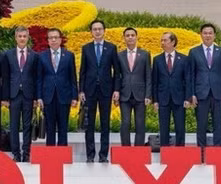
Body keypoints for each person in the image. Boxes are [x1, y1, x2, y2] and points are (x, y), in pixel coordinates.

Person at [79, 19, 120, 163]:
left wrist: (116, 89)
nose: (97, 31)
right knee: (89, 124)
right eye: (94, 29)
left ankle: (103, 155)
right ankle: (90, 155)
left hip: (106, 90)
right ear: (91, 32)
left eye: (99, 29)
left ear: (104, 31)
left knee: (105, 123)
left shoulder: (111, 48)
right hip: (89, 91)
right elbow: (83, 71)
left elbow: (117, 71)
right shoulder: (86, 48)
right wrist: (81, 90)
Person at [189, 24, 221, 154]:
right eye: (205, 33)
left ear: (214, 35)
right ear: (201, 35)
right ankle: (201, 152)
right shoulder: (194, 52)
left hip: (218, 93)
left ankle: (217, 152)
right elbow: (191, 75)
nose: (208, 35)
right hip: (201, 93)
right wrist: (192, 94)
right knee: (201, 124)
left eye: (210, 33)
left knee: (218, 123)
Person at [36, 28, 78, 147]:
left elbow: (73, 77)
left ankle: (62, 153)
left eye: (56, 37)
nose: (53, 40)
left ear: (60, 39)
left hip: (64, 96)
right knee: (50, 128)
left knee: (63, 127)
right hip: (48, 97)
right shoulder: (41, 56)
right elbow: (39, 78)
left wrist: (74, 96)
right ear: (48, 40)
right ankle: (51, 153)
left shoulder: (69, 55)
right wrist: (39, 97)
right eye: (51, 38)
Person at [151, 32, 192, 147]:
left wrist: (187, 98)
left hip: (179, 98)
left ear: (173, 42)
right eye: (162, 40)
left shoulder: (183, 59)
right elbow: (155, 81)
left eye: (165, 40)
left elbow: (187, 80)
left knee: (180, 127)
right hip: (163, 98)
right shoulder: (157, 59)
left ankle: (180, 151)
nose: (162, 43)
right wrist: (155, 100)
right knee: (163, 128)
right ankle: (165, 151)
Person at [4, 26, 38, 162]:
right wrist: (5, 97)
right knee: (14, 126)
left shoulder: (34, 55)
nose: (22, 39)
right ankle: (16, 154)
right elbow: (5, 77)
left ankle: (26, 153)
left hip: (28, 95)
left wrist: (36, 98)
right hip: (14, 95)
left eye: (24, 36)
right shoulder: (8, 54)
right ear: (15, 38)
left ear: (28, 37)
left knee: (27, 125)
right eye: (20, 36)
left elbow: (36, 78)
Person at [116, 27, 152, 147]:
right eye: (127, 35)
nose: (130, 37)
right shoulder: (119, 55)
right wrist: (116, 92)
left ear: (136, 37)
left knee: (140, 124)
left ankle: (139, 150)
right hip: (124, 94)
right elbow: (117, 76)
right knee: (125, 123)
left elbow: (148, 75)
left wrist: (148, 95)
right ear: (124, 38)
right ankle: (126, 149)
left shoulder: (145, 54)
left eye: (132, 35)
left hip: (140, 94)